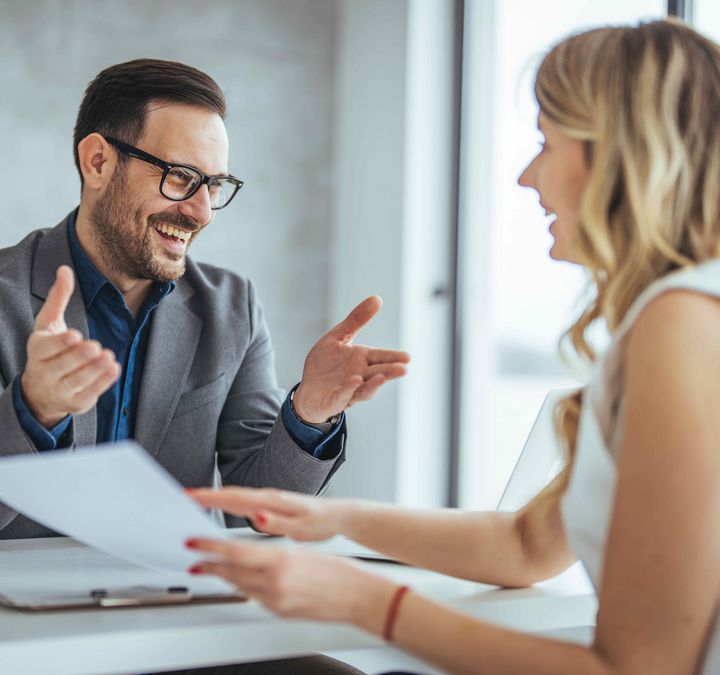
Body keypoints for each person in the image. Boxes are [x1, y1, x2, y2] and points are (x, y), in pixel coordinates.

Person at [184, 18, 720, 675]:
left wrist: (363, 600)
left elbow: (641, 667)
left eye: (546, 143)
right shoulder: (681, 315)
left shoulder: (681, 325)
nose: (527, 176)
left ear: (620, 155)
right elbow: (526, 544)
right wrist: (330, 517)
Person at [0, 57, 409, 547]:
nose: (201, 212)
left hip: (176, 605)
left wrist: (309, 414)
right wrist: (33, 411)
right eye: (180, 176)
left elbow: (258, 512)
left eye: (214, 185)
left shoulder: (232, 307)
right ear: (98, 162)